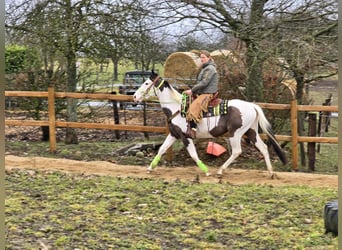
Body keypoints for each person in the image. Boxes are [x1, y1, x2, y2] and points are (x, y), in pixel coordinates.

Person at [184, 50, 219, 138]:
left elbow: (204, 83)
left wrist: (192, 90)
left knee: (194, 107)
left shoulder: (210, 68)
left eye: (203, 57)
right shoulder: (205, 68)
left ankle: (193, 129)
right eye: (201, 57)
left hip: (208, 93)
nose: (202, 59)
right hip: (203, 92)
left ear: (209, 58)